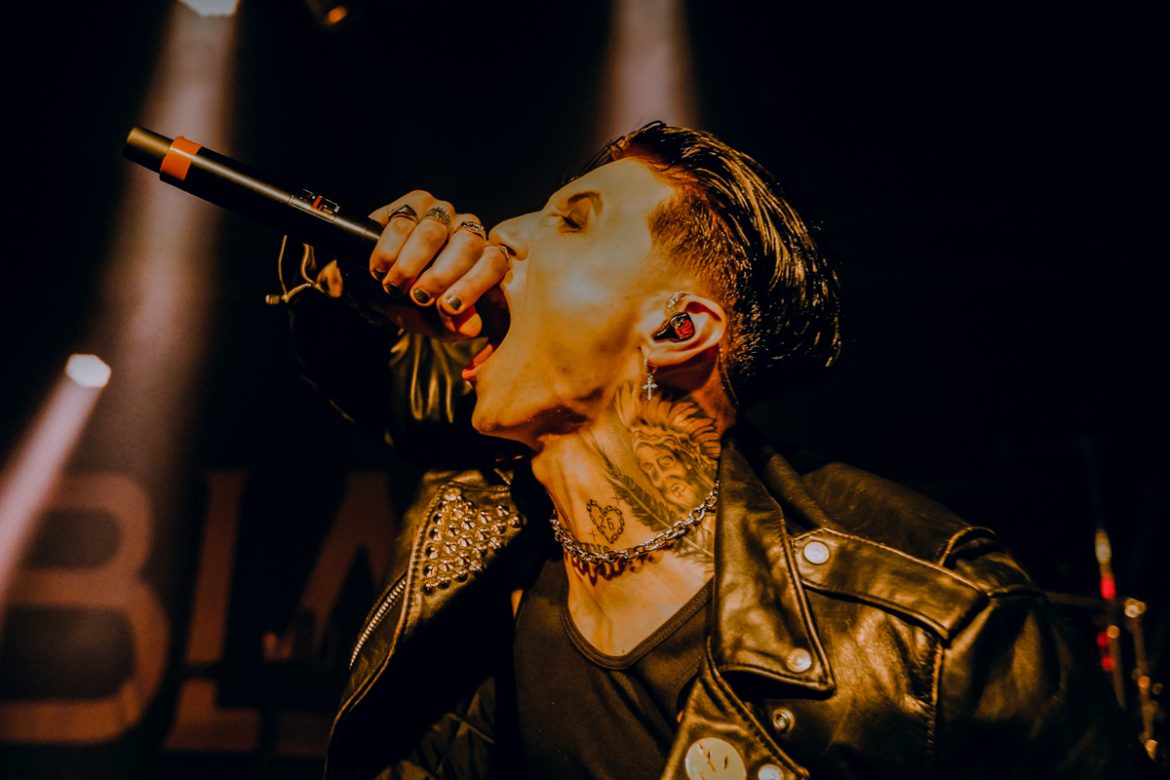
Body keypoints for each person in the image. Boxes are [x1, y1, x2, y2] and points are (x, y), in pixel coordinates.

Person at [283, 123, 1152, 779]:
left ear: (678, 328)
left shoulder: (934, 623)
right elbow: (379, 369)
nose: (503, 233)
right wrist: (353, 267)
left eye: (570, 225)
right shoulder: (486, 532)